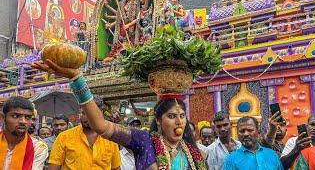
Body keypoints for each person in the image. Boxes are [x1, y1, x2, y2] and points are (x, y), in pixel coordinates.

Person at [32, 59, 207, 169]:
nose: (179, 122)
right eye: (172, 116)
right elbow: (101, 125)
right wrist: (77, 79)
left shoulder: (196, 153)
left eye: (182, 116)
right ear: (159, 121)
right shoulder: (144, 141)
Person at [48, 108, 121, 169]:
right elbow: (53, 167)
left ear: (100, 113)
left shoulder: (110, 138)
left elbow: (116, 167)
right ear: (80, 114)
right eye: (84, 113)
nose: (88, 116)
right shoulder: (64, 137)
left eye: (92, 112)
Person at [0, 96, 48, 169]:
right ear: (3, 118)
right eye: (16, 116)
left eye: (28, 117)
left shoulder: (38, 147)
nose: (23, 121)